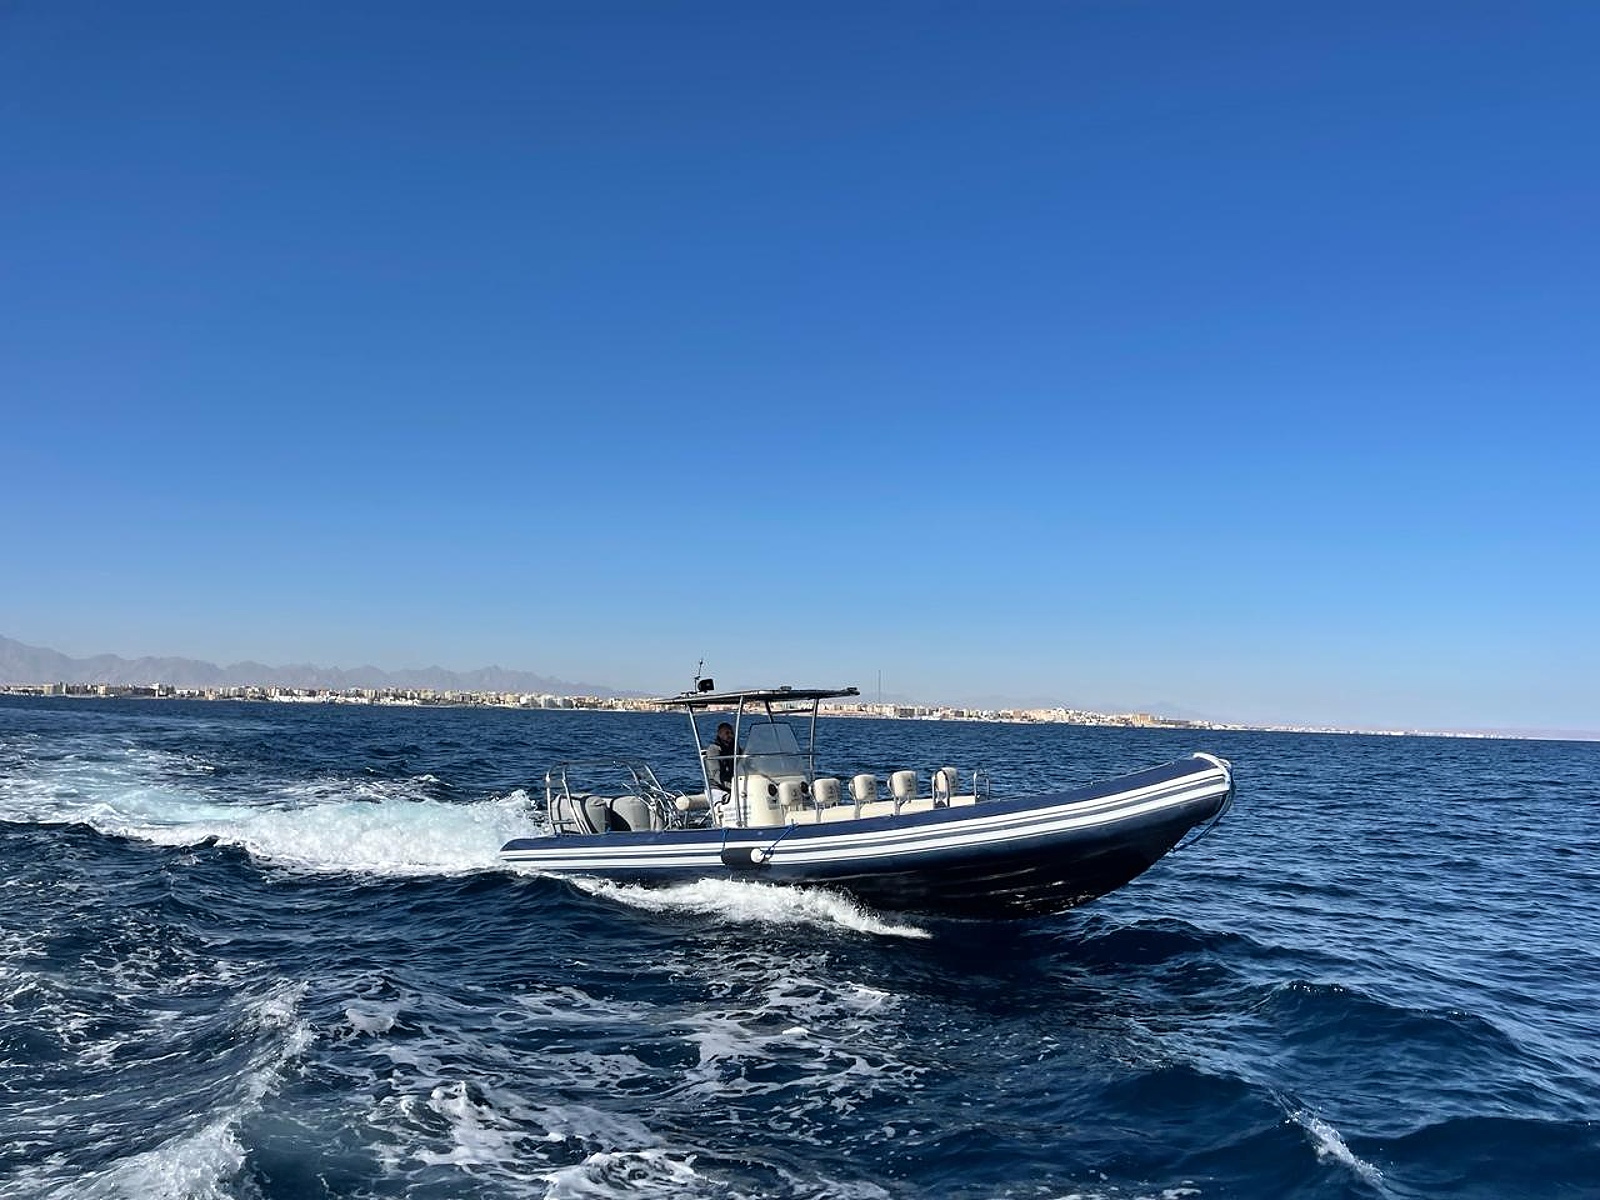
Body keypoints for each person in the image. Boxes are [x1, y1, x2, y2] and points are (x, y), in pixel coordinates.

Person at [705, 722, 736, 800]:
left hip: (734, 786)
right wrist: (733, 786)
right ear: (719, 734)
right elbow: (716, 774)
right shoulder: (713, 749)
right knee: (728, 799)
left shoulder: (735, 748)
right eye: (727, 733)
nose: (730, 735)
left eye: (732, 733)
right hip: (716, 788)